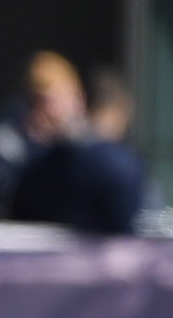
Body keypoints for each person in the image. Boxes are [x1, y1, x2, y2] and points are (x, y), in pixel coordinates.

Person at [9, 66, 148, 235]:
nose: (50, 111)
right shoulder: (119, 165)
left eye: (56, 101)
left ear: (81, 100)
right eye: (38, 103)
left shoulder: (40, 165)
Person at [0, 50, 87, 220]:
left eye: (69, 98)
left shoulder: (89, 141)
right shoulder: (6, 138)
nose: (60, 109)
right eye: (48, 101)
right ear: (31, 103)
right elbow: (7, 192)